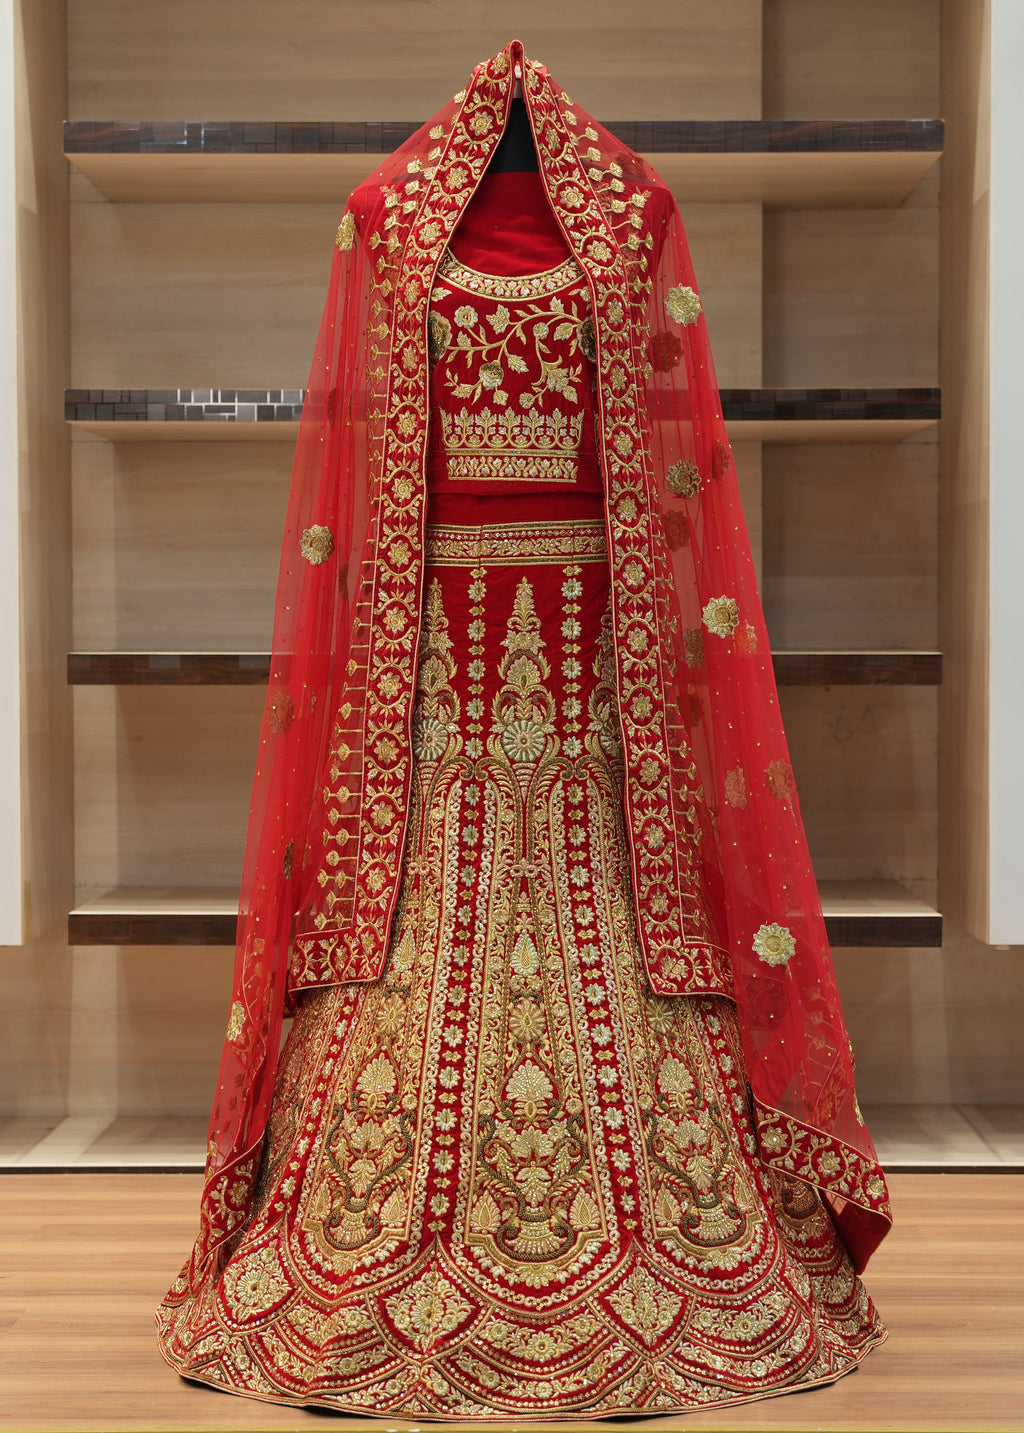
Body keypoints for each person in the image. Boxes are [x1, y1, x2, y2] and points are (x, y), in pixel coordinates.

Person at [157, 40, 890, 1418]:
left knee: (606, 907)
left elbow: (679, 457)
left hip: (594, 650)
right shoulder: (386, 221)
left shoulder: (633, 215)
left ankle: (671, 1235)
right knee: (422, 917)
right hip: (433, 654)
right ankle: (371, 1233)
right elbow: (361, 456)